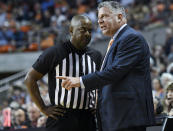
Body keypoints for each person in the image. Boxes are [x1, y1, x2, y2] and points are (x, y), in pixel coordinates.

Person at [56, 1, 155, 131]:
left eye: (104, 16)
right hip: (117, 118)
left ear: (119, 17)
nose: (100, 21)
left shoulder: (131, 38)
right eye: (98, 18)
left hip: (128, 117)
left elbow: (114, 72)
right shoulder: (117, 40)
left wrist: (80, 81)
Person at [25, 15, 102, 131]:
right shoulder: (55, 52)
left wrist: (98, 103)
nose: (87, 34)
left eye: (90, 31)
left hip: (88, 117)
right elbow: (30, 78)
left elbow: (101, 82)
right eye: (83, 30)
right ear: (71, 30)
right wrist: (43, 108)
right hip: (61, 117)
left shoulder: (96, 55)